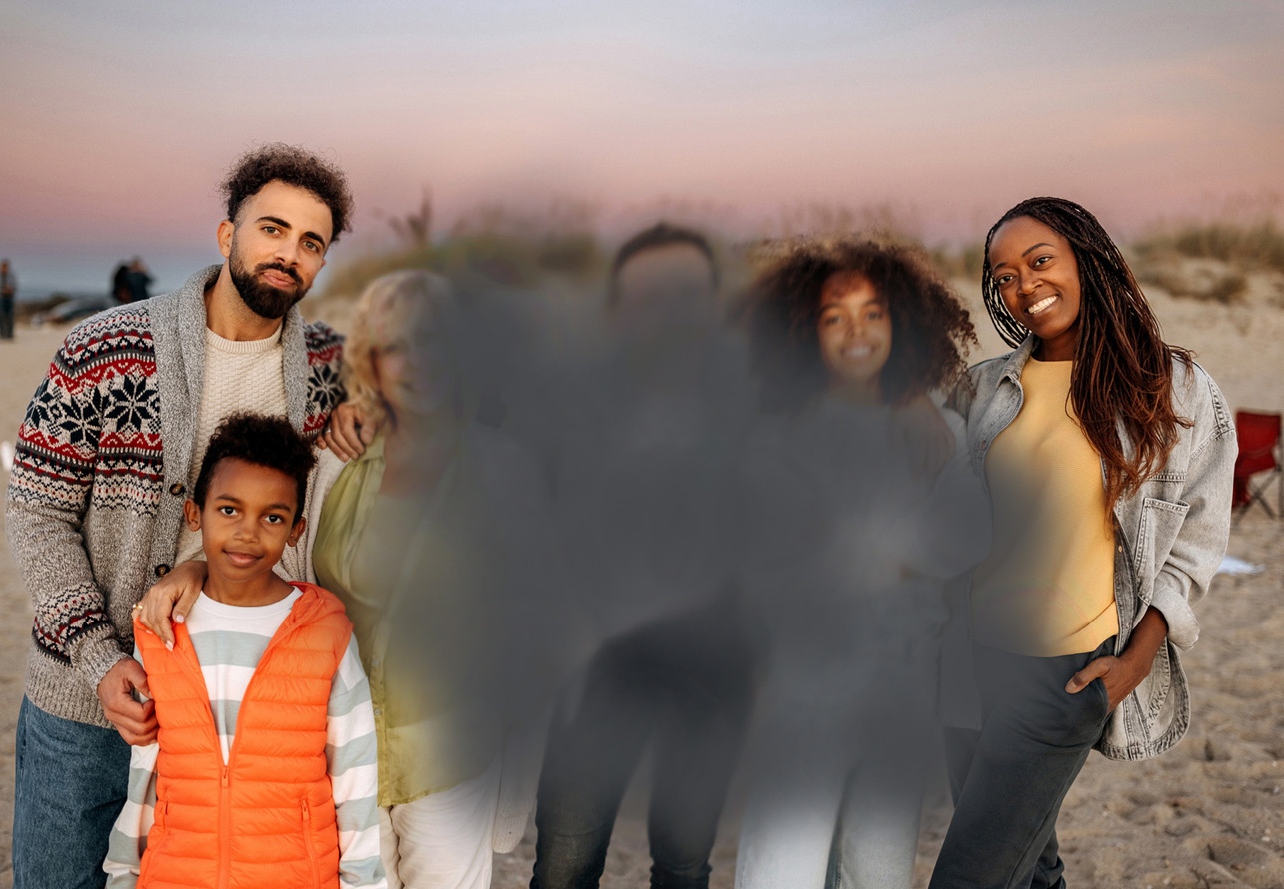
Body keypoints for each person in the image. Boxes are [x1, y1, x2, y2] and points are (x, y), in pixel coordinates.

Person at [138, 270, 568, 889]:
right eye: (397, 346)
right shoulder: (337, 459)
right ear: (372, 360)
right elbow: (274, 558)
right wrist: (196, 565)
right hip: (335, 751)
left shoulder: (507, 472)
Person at [5, 142, 352, 889]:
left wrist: (368, 411)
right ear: (227, 235)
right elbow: (37, 512)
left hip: (233, 716)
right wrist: (100, 659)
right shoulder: (104, 348)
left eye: (310, 242)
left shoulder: (327, 370)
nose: (287, 254)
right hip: (85, 703)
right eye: (272, 228)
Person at [930, 197, 1237, 889]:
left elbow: (1197, 535)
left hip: (1062, 675)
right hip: (966, 666)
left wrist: (1139, 651)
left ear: (1085, 259)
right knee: (1029, 865)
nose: (1023, 285)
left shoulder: (1172, 386)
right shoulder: (981, 388)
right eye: (1003, 275)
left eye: (1039, 261)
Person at [731, 238, 989, 889]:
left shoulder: (939, 430)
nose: (855, 331)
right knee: (777, 870)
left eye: (874, 312)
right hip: (797, 692)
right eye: (832, 315)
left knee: (876, 870)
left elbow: (968, 535)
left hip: (899, 691)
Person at [526, 223, 758, 889]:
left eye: (686, 293)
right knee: (565, 866)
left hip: (713, 675)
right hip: (593, 672)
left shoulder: (756, 399)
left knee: (683, 866)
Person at [102, 413, 386, 889]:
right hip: (176, 874)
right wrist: (125, 873)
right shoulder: (158, 628)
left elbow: (355, 774)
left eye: (272, 517)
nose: (248, 532)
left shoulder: (325, 630)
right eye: (229, 510)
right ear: (195, 515)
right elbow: (146, 775)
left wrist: (362, 882)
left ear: (296, 529)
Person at [0, 257, 17, 339]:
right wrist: (1, 290)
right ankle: (1, 335)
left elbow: (15, 286)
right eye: (3, 267)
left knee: (10, 316)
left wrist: (9, 290)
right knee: (1, 316)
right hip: (0, 298)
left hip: (9, 298)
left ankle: (10, 335)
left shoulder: (11, 276)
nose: (4, 269)